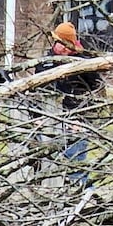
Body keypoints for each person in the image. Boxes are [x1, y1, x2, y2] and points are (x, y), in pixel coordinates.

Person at [42, 21, 103, 184]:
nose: (61, 48)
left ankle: (81, 194)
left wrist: (81, 117)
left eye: (65, 45)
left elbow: (96, 88)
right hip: (50, 116)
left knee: (76, 158)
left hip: (76, 117)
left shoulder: (84, 62)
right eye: (59, 44)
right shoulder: (46, 61)